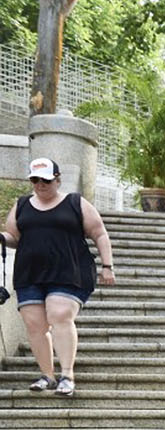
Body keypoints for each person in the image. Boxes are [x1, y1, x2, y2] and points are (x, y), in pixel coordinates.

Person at [1, 157, 115, 397]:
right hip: (30, 273)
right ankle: (47, 376)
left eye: (45, 180)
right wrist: (3, 238)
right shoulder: (22, 205)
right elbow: (13, 236)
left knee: (59, 313)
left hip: (69, 271)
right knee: (35, 324)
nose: (40, 185)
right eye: (35, 180)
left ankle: (67, 375)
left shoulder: (75, 203)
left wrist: (107, 266)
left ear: (58, 179)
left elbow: (99, 233)